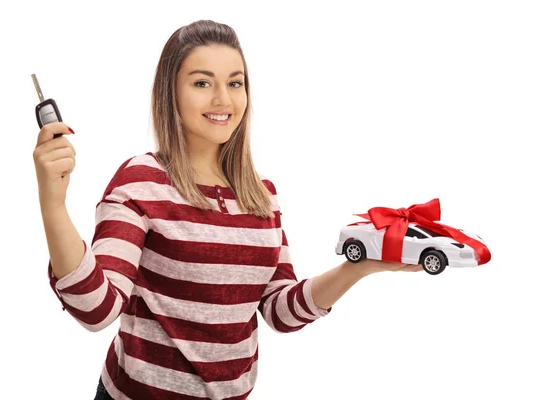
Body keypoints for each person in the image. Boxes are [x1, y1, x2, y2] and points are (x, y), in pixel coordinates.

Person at [33, 19, 422, 400]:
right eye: (202, 83)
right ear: (171, 93)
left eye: (235, 83)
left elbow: (278, 310)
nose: (224, 99)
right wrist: (53, 206)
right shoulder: (142, 180)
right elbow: (96, 309)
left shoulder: (261, 194)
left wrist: (358, 267)